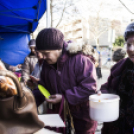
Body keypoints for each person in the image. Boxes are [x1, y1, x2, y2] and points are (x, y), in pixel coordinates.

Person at [33, 28, 97, 134]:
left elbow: (89, 88)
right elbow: (43, 86)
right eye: (40, 53)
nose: (43, 57)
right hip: (59, 115)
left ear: (59, 49)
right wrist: (27, 99)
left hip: (82, 116)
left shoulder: (81, 60)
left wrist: (64, 97)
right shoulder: (46, 64)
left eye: (46, 53)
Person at [99, 22, 134, 134]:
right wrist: (103, 94)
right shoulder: (119, 67)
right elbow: (107, 86)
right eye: (129, 44)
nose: (131, 49)